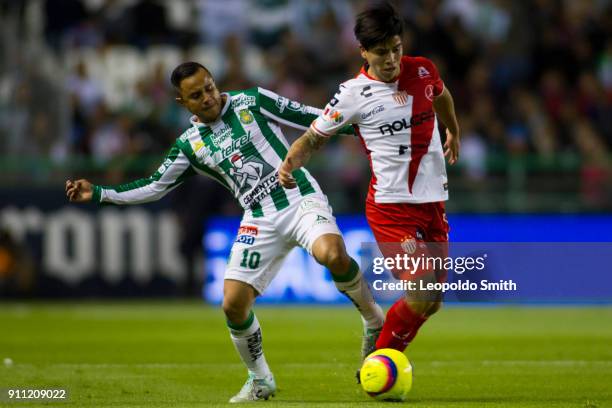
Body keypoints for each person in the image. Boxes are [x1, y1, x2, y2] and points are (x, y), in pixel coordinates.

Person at [65, 62, 384, 403]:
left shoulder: (253, 101)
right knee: (232, 304)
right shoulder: (189, 146)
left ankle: (373, 318)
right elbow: (155, 186)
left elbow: (316, 118)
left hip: (298, 196)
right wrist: (100, 193)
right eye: (196, 95)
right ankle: (261, 380)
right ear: (181, 102)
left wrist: (373, 131)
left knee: (332, 254)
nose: (207, 98)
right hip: (258, 218)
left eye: (209, 88)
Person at [280, 2, 460, 358]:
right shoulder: (352, 94)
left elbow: (441, 96)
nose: (391, 59)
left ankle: (383, 348)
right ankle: (378, 361)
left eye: (396, 49)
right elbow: (314, 137)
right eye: (381, 53)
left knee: (433, 301)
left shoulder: (423, 70)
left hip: (433, 204)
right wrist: (289, 163)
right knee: (421, 290)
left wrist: (453, 129)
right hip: (392, 208)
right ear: (363, 51)